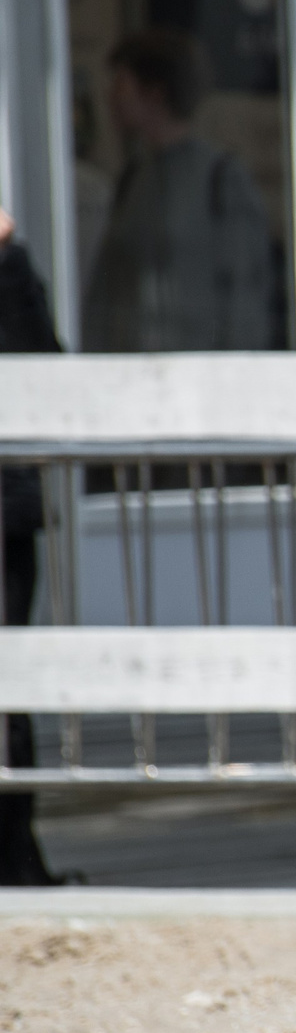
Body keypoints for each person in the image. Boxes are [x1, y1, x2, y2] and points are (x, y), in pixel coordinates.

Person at [82, 29, 284, 353]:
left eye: (121, 83)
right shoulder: (133, 177)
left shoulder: (221, 179)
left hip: (198, 377)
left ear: (155, 93)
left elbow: (247, 295)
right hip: (130, 376)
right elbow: (108, 293)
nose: (110, 96)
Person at [0, 207, 62, 884]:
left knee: (7, 691)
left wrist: (7, 261)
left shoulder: (8, 265)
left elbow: (44, 370)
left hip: (4, 515)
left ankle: (15, 854)